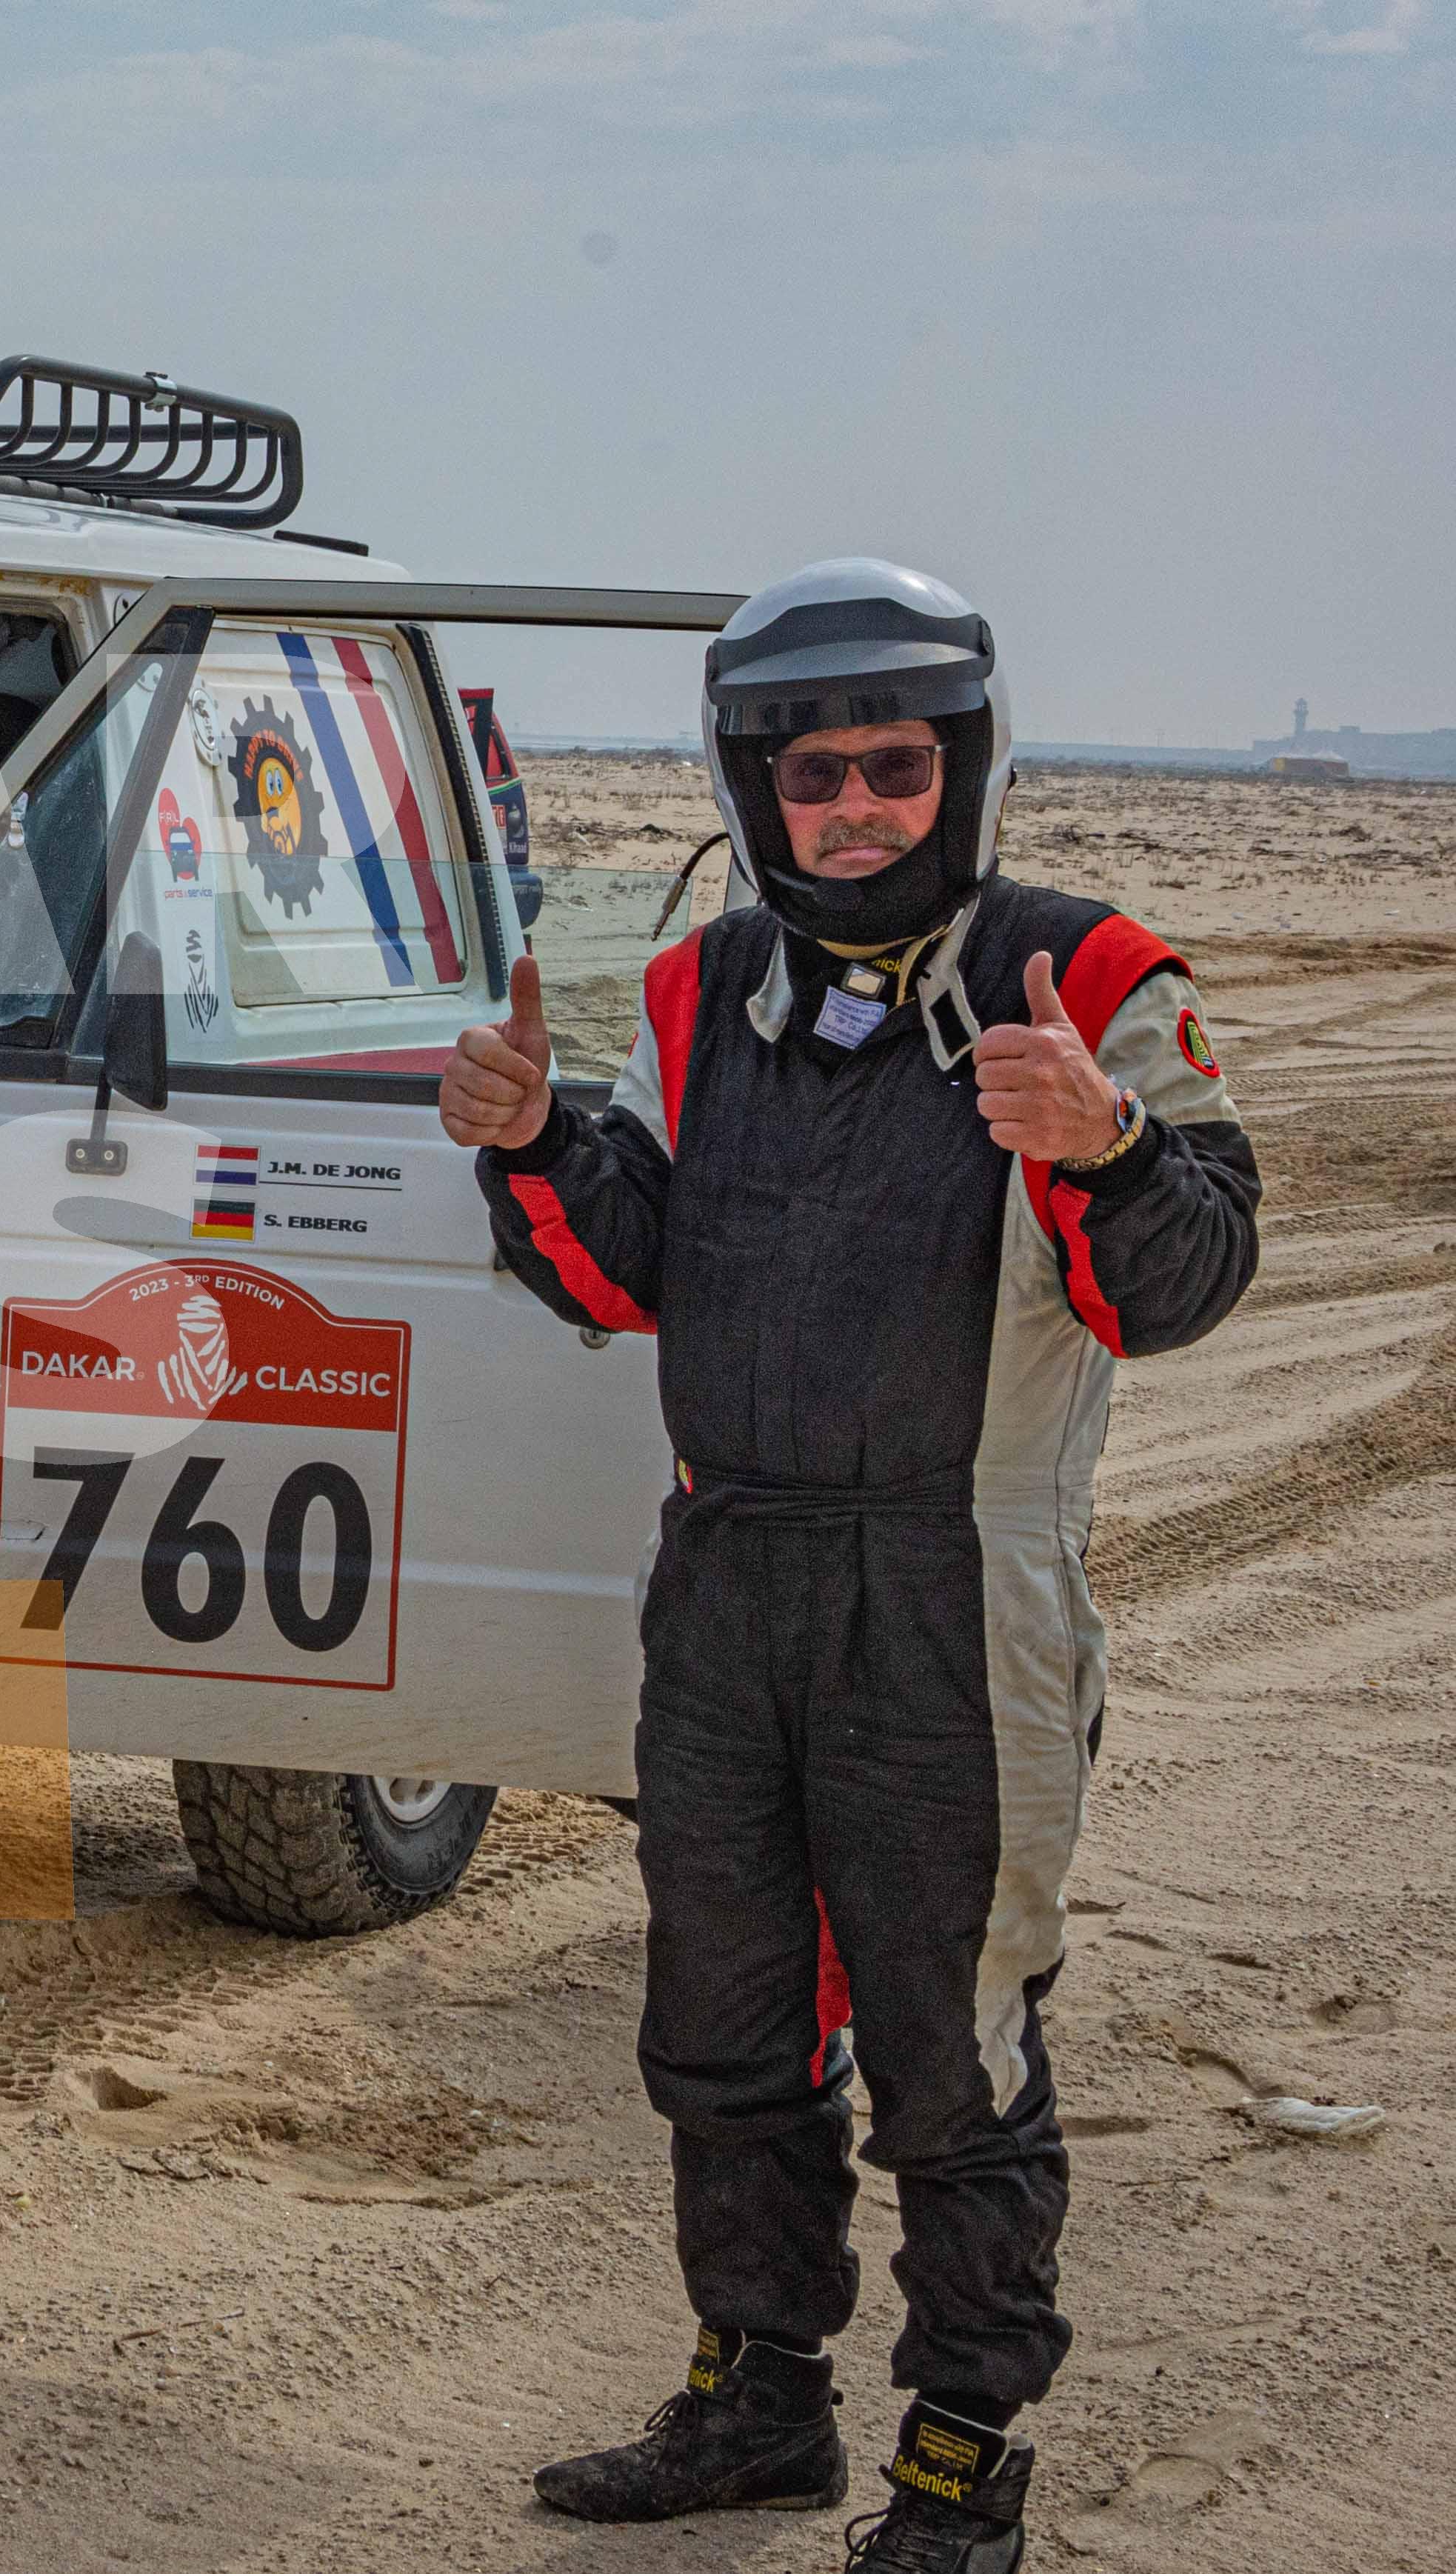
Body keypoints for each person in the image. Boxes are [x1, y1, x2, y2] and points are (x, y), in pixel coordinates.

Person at [439, 561, 1261, 2569]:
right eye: (816, 777)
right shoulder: (699, 988)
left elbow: (1188, 1281)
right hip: (729, 1573)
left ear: (967, 765)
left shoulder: (1091, 975)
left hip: (954, 1591)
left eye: (899, 766)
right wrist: (534, 1142)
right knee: (720, 2022)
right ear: (756, 788)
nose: (860, 808)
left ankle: (964, 2465)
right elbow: (627, 1267)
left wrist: (1109, 1147)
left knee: (948, 2042)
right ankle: (759, 2399)